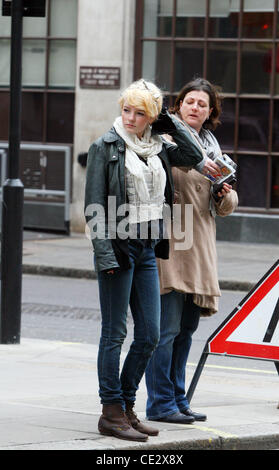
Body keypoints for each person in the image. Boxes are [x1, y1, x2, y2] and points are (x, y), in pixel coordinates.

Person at [84, 79, 220, 442]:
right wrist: (104, 255)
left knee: (150, 335)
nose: (129, 117)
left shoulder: (159, 145)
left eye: (140, 112)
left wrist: (170, 123)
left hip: (148, 248)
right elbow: (94, 207)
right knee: (114, 333)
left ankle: (127, 406)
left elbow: (193, 156)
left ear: (152, 117)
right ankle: (111, 411)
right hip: (118, 246)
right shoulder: (106, 146)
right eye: (126, 109)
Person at [145, 77, 238, 425]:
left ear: (211, 111)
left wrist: (221, 193)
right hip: (172, 238)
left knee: (186, 330)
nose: (195, 107)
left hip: (200, 242)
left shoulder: (211, 146)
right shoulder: (166, 140)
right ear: (178, 105)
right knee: (165, 329)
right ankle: (159, 403)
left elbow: (228, 205)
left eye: (202, 103)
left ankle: (178, 398)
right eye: (189, 101)